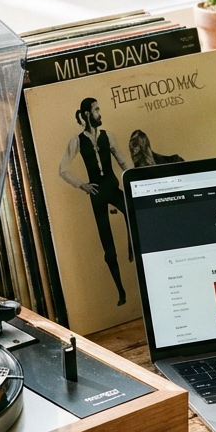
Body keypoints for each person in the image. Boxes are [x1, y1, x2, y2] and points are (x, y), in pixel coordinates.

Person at [59, 98, 134, 305]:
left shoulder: (108, 136)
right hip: (97, 194)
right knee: (108, 248)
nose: (100, 113)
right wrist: (82, 185)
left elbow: (122, 160)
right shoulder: (76, 140)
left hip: (112, 187)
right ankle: (121, 292)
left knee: (132, 209)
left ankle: (131, 246)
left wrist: (135, 180)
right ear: (86, 115)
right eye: (96, 110)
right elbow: (63, 169)